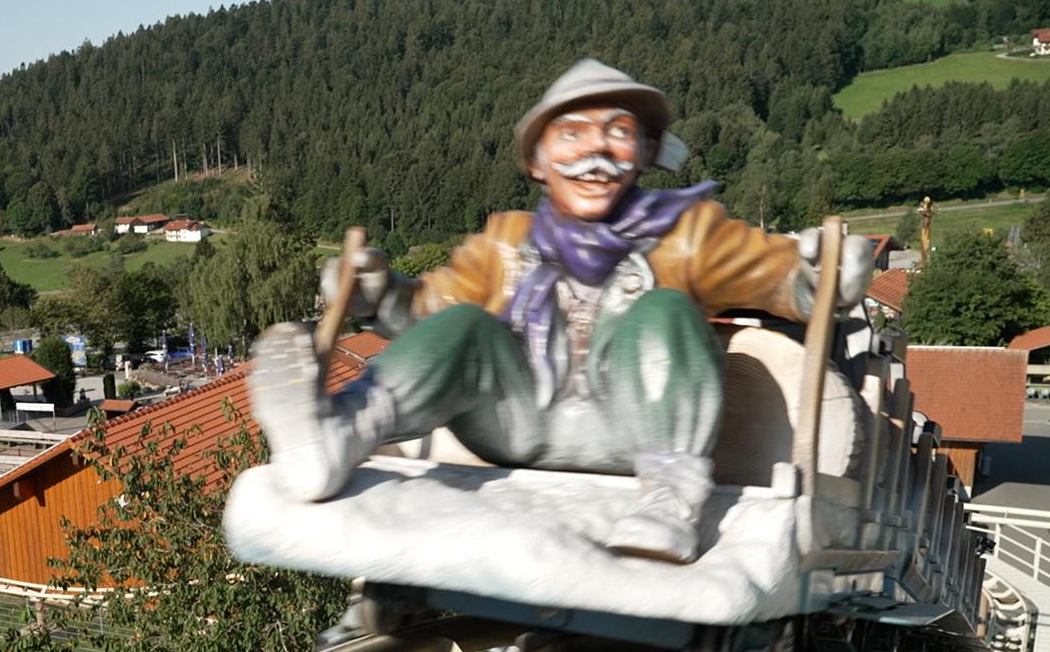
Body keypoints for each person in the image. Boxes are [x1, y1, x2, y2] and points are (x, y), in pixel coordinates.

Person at [249, 59, 872, 564]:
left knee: (664, 312)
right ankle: (337, 436)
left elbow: (778, 277)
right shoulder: (504, 240)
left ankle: (668, 504)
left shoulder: (690, 233)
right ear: (537, 161)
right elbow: (426, 312)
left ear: (646, 152)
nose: (595, 153)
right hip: (515, 424)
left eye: (618, 132)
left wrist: (819, 274)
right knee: (466, 325)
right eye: (572, 134)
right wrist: (378, 294)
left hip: (638, 434)